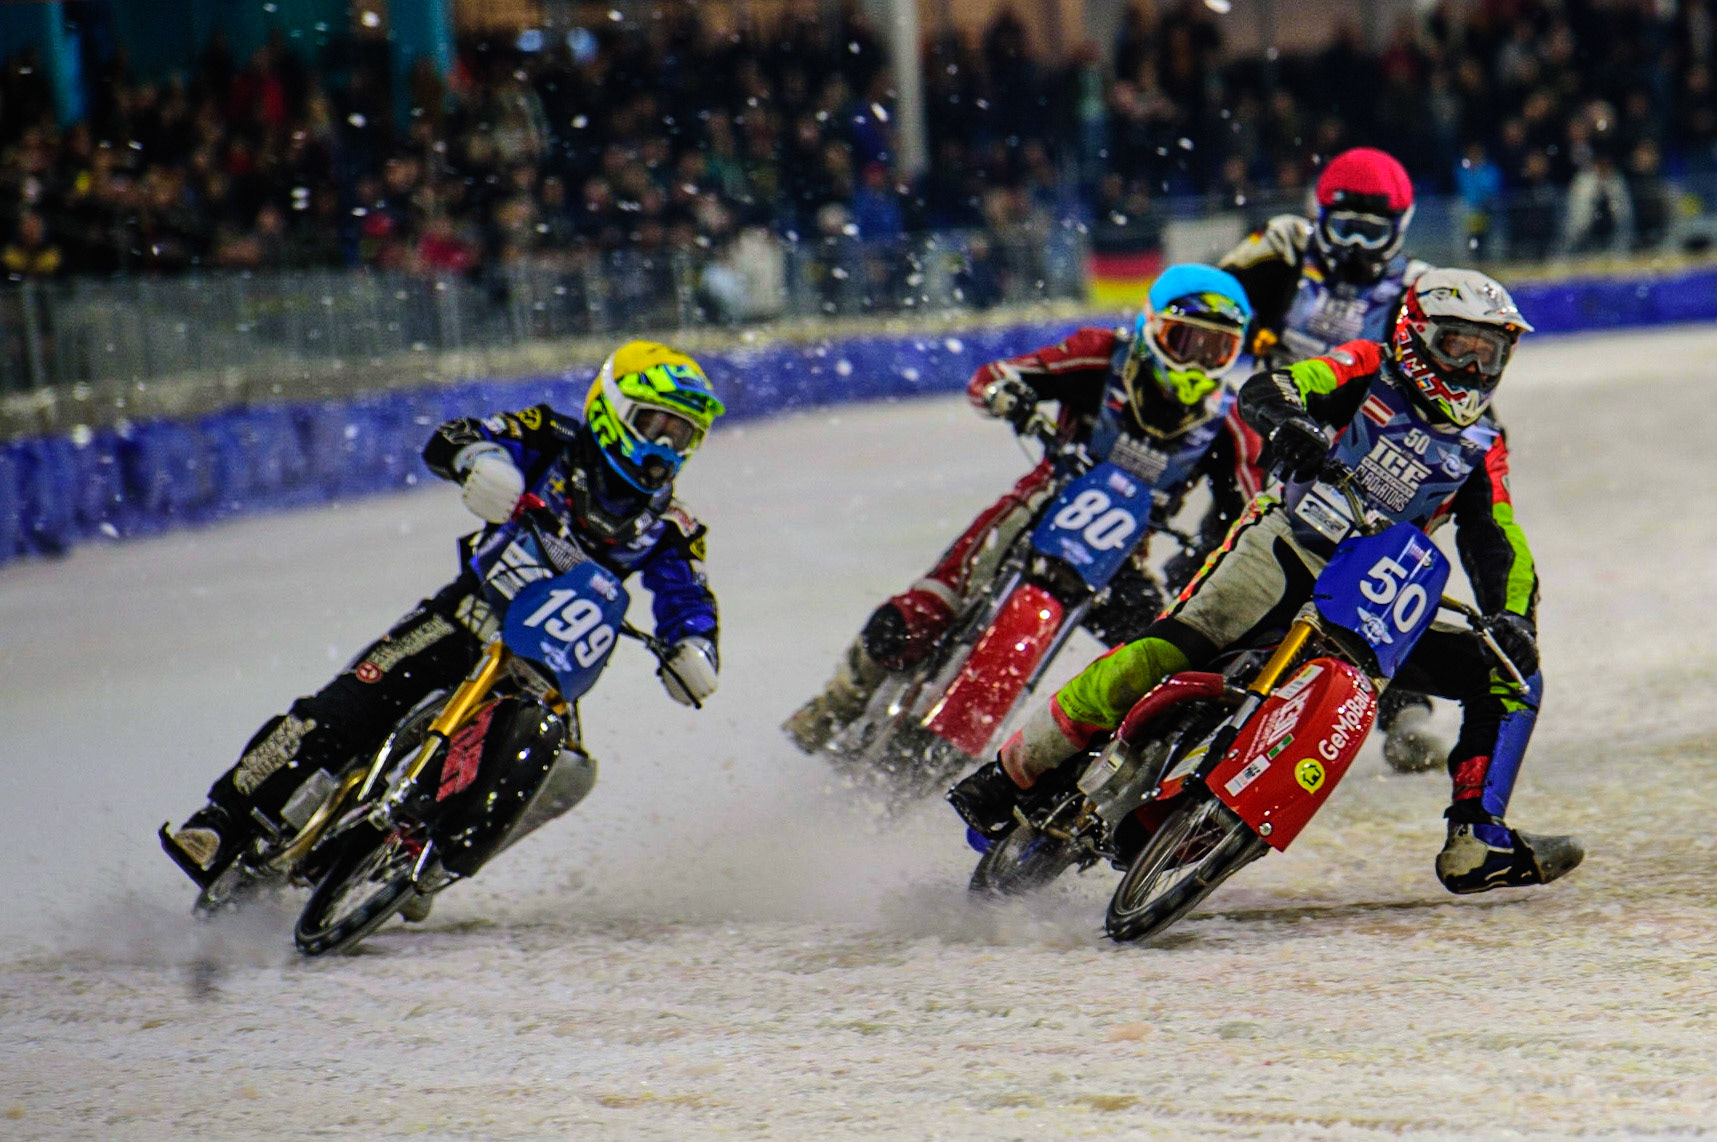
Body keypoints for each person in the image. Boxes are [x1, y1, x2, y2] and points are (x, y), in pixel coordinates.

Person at [950, 268, 1584, 896]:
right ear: (1417, 335)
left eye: (1489, 354)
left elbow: (1496, 534)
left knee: (1512, 674)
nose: (1472, 371)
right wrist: (1288, 424)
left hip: (1378, 597)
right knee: (1174, 647)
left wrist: (1514, 618)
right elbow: (1275, 384)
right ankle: (1013, 772)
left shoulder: (1482, 443)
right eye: (1456, 347)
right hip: (1285, 547)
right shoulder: (1366, 365)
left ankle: (1478, 835)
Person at [161, 342, 726, 901]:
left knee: (565, 775)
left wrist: (694, 647)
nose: (664, 447)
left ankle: (434, 862)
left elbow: (689, 599)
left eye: (680, 436)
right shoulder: (550, 437)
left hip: (549, 668)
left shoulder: (671, 528)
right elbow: (458, 435)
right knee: (346, 707)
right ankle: (222, 820)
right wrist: (479, 461)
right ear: (612, 411)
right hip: (471, 612)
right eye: (655, 425)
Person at [783, 264, 1254, 754]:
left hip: (1120, 556)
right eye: (1186, 343)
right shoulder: (1102, 355)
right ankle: (833, 706)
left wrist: (1221, 551)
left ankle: (1082, 774)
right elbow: (997, 377)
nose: (1198, 364)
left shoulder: (1229, 421)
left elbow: (1248, 506)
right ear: (1152, 329)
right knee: (917, 617)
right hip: (1039, 506)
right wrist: (1010, 397)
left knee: (1158, 666)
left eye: (1216, 349)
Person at [1217, 146, 1442, 770]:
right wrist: (1245, 320)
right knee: (1233, 540)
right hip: (1268, 426)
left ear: (1399, 229)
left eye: (1373, 233)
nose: (1355, 247)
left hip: (1361, 449)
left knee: (1374, 569)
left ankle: (1402, 710)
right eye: (1343, 227)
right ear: (1319, 217)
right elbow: (1219, 300)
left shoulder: (1417, 289)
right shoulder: (1284, 247)